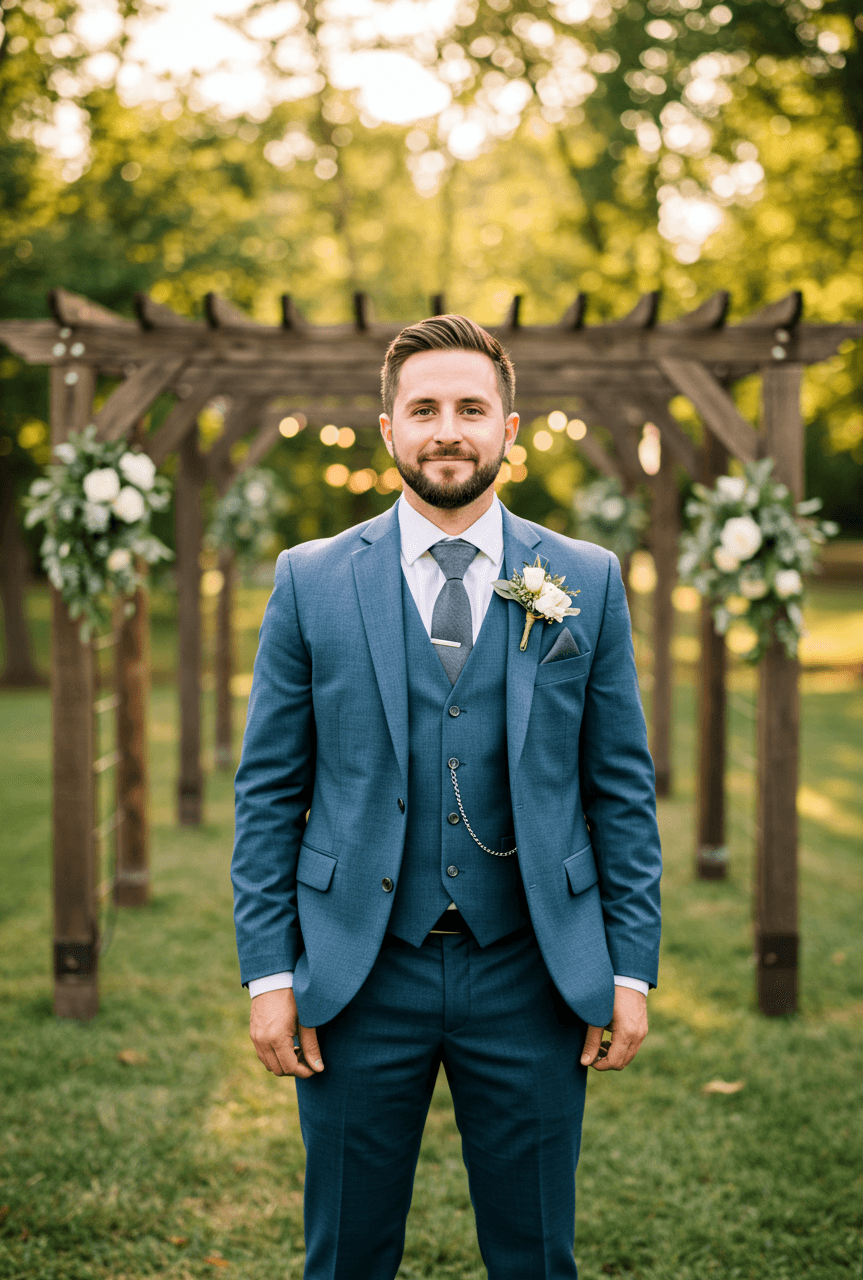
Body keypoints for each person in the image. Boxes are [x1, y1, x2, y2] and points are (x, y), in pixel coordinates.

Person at [231, 314, 662, 1279]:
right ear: (388, 431)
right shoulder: (309, 581)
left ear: (511, 428)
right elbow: (268, 792)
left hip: (534, 972)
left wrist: (628, 969)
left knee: (537, 1257)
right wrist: (270, 977)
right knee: (344, 1255)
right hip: (355, 973)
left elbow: (620, 790)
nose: (448, 429)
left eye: (472, 407)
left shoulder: (584, 579)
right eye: (423, 408)